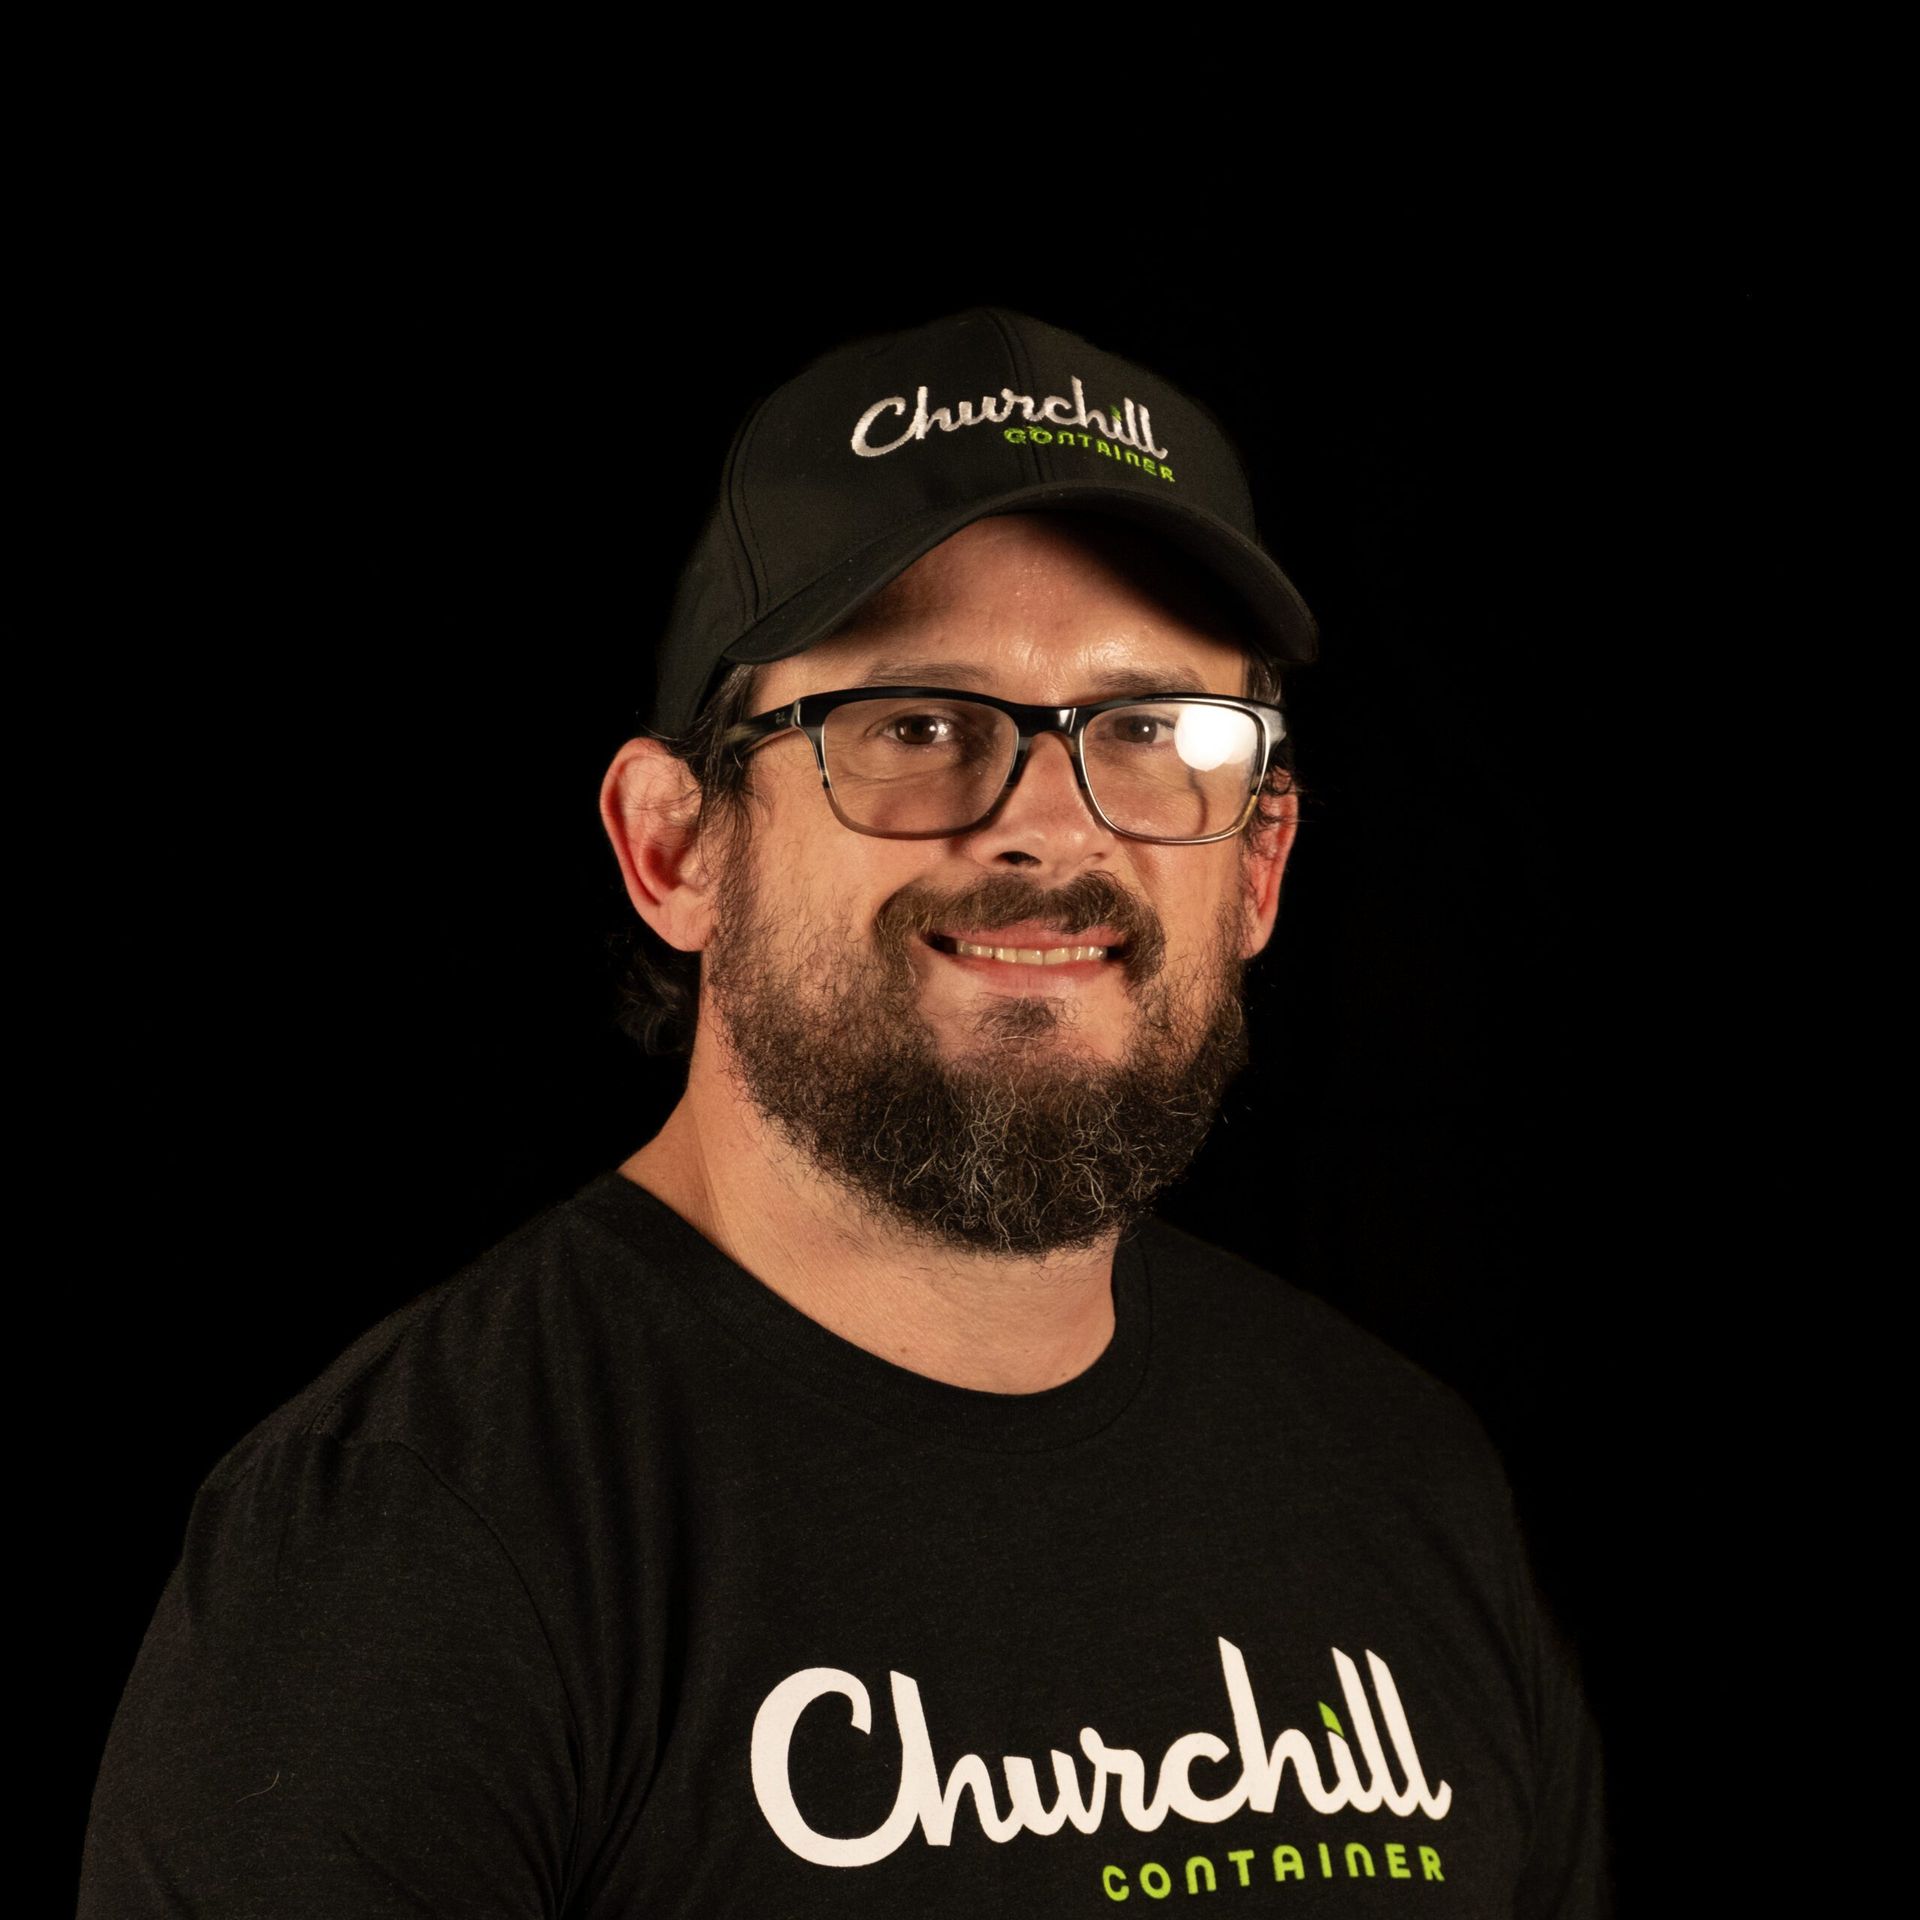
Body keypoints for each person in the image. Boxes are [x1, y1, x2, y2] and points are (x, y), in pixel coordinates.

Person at [79, 308, 1610, 1915]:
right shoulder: (417, 1545)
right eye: (913, 726)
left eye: (1151, 732)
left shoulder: (1400, 1478)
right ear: (677, 847)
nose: (1044, 830)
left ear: (1263, 863)